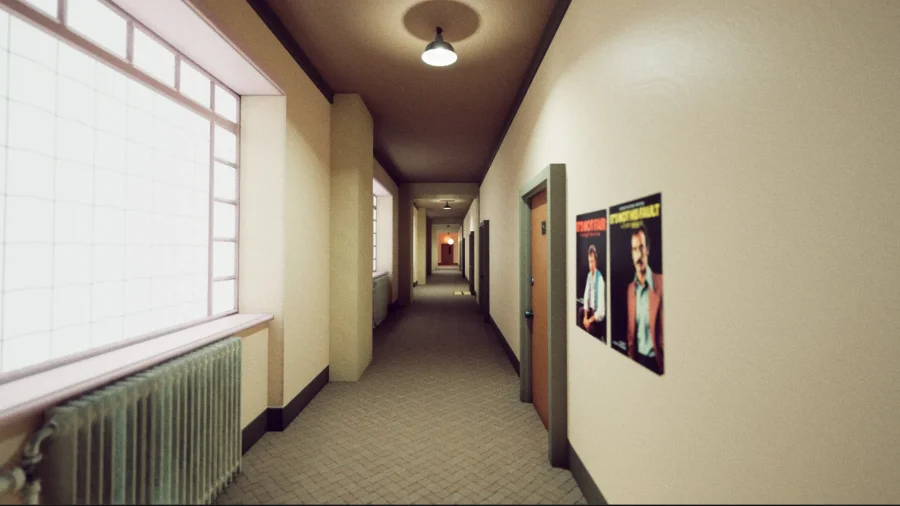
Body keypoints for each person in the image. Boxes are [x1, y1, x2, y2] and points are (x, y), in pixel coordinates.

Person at [626, 225, 664, 374]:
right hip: (637, 361)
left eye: (641, 247)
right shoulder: (630, 290)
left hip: (658, 364)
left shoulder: (662, 284)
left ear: (647, 249)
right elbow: (630, 335)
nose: (638, 255)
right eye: (635, 249)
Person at [578, 244, 605, 338]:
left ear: (596, 262)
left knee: (590, 328)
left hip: (597, 319)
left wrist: (589, 321)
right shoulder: (589, 275)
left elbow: (601, 312)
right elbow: (586, 297)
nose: (591, 265)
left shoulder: (600, 279)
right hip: (590, 313)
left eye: (592, 262)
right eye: (589, 262)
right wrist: (585, 317)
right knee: (580, 311)